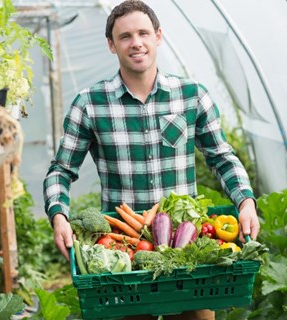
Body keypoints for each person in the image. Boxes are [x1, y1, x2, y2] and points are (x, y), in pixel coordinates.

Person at [43, 1, 260, 319]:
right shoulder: (89, 105)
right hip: (125, 250)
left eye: (143, 33)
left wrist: (246, 202)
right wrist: (59, 215)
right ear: (111, 45)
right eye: (125, 36)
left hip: (188, 248)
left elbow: (222, 158)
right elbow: (61, 170)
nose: (136, 43)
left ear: (158, 36)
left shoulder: (190, 96)